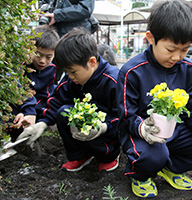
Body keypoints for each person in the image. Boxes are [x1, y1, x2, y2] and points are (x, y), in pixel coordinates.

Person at [116, 0, 192, 198]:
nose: (177, 57)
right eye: (171, 49)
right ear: (150, 38)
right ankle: (140, 175)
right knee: (152, 155)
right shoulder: (132, 71)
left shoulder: (190, 70)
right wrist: (142, 128)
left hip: (176, 130)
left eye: (185, 50)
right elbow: (126, 116)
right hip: (143, 133)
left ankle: (172, 167)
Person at [17, 28, 120, 172]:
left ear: (91, 62)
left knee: (91, 122)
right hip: (87, 126)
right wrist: (42, 123)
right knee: (63, 112)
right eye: (66, 72)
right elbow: (57, 100)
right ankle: (79, 155)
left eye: (72, 72)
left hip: (107, 130)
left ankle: (109, 155)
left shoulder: (114, 81)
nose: (70, 76)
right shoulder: (73, 79)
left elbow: (124, 118)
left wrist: (104, 127)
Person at [40, 0, 96, 84]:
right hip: (55, 35)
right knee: (51, 76)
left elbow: (85, 9)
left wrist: (58, 15)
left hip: (75, 39)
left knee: (76, 74)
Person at [25, 25, 59, 120]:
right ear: (29, 48)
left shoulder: (51, 69)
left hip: (37, 107)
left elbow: (45, 95)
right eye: (38, 55)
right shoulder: (22, 65)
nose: (42, 61)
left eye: (48, 57)